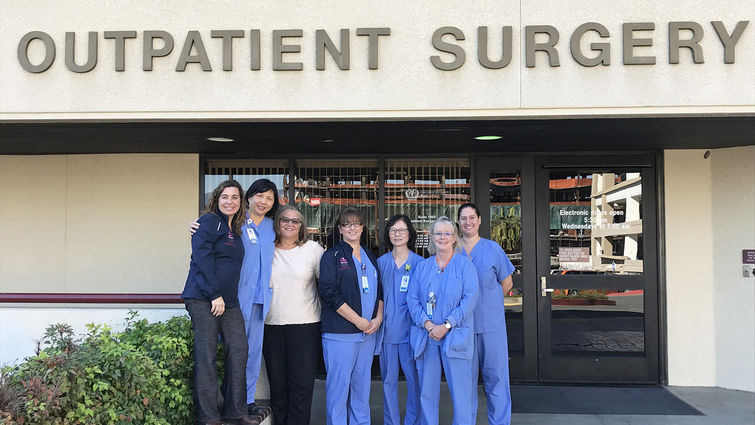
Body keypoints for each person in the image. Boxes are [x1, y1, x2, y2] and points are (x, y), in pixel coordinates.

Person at [192, 178, 279, 418]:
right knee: (223, 351)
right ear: (248, 198)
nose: (263, 201)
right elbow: (206, 244)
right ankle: (221, 405)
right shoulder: (236, 223)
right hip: (234, 297)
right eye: (259, 196)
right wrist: (195, 224)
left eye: (269, 198)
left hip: (260, 299)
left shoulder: (274, 227)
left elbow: (295, 233)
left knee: (249, 352)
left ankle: (246, 399)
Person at [181, 179, 257, 425]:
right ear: (217, 198)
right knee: (207, 355)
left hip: (229, 302)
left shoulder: (235, 228)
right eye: (225, 196)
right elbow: (201, 260)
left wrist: (223, 298)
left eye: (235, 197)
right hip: (204, 298)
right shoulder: (208, 222)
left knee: (239, 351)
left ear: (240, 202)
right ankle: (209, 417)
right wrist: (214, 294)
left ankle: (236, 412)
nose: (230, 201)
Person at [407, 216, 478, 425]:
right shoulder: (422, 267)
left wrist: (447, 325)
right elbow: (412, 299)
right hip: (427, 336)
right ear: (431, 236)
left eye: (448, 233)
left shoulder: (465, 266)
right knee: (427, 393)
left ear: (455, 237)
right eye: (438, 233)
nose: (443, 237)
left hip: (455, 335)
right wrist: (428, 325)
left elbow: (470, 298)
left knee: (461, 394)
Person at [318, 207, 383, 425]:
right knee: (338, 388)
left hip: (368, 334)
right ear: (340, 229)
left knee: (361, 387)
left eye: (356, 223)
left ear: (363, 228)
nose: (352, 227)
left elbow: (379, 293)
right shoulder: (332, 256)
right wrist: (358, 321)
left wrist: (379, 318)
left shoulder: (371, 257)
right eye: (347, 224)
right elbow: (328, 293)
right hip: (340, 334)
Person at [262, 205, 325, 425]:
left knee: (301, 386)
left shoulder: (313, 249)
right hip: (271, 324)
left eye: (295, 221)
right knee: (278, 386)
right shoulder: (266, 248)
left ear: (302, 226)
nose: (290, 224)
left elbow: (326, 286)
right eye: (285, 220)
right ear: (277, 223)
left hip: (305, 325)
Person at [457, 203, 515, 425]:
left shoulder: (492, 249)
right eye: (464, 218)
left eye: (472, 217)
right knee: (465, 383)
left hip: (491, 326)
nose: (468, 222)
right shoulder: (453, 250)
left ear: (480, 220)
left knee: (497, 380)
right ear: (459, 222)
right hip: (462, 327)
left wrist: (487, 302)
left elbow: (507, 282)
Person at [377, 215, 423, 425]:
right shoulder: (380, 263)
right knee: (388, 382)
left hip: (411, 334)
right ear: (388, 234)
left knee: (414, 382)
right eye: (393, 230)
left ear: (409, 234)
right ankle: (391, 422)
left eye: (402, 230)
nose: (397, 234)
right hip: (387, 334)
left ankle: (413, 420)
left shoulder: (420, 264)